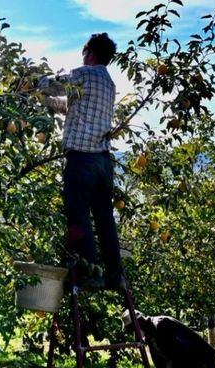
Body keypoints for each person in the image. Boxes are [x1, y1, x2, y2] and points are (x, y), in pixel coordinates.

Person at [38, 33, 124, 292]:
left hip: (82, 160)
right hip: (102, 163)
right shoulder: (108, 83)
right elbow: (69, 105)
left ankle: (90, 274)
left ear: (89, 52)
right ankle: (115, 274)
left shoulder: (85, 74)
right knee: (105, 219)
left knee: (78, 216)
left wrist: (33, 82)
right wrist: (46, 103)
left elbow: (52, 84)